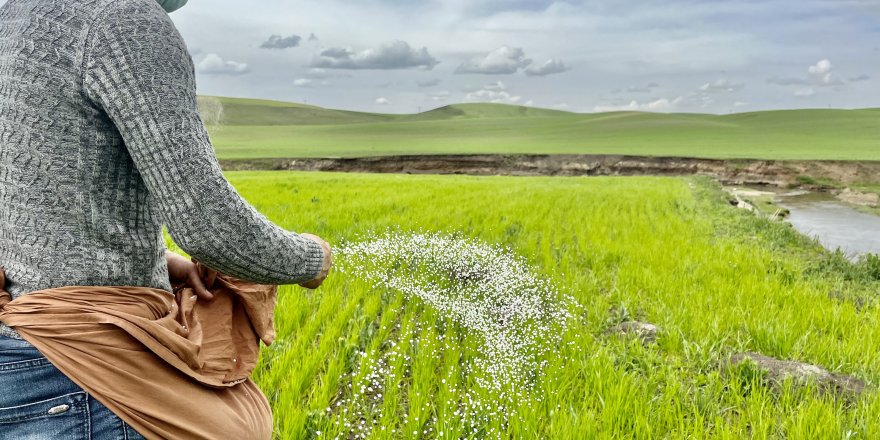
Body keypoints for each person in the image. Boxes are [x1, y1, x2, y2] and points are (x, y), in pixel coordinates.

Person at [0, 0, 332, 437]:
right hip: (84, 374)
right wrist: (312, 259)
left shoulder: (11, 17)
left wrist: (156, 258)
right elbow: (208, 224)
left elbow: (33, 192)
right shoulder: (121, 18)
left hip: (16, 361)